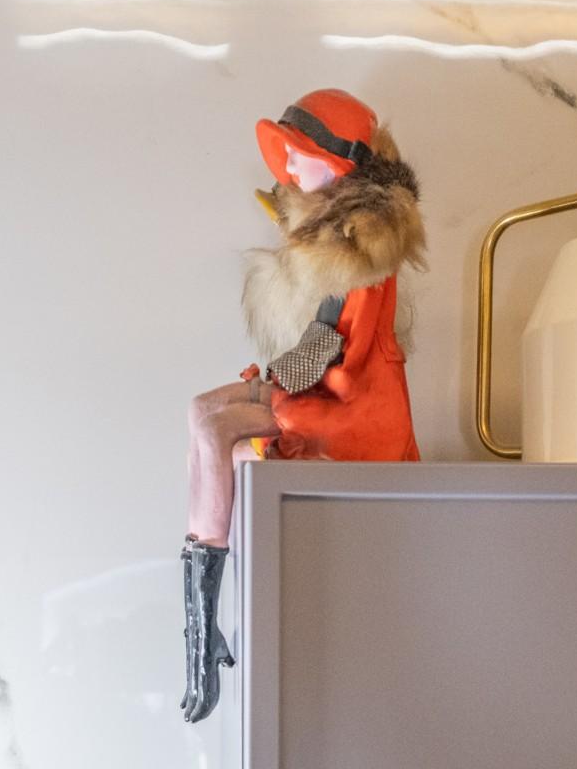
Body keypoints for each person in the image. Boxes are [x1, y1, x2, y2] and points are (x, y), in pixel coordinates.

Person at [180, 89, 426, 723]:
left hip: (351, 407)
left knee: (219, 433)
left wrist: (274, 386)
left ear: (340, 164)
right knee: (202, 411)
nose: (290, 169)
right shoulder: (329, 234)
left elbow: (335, 349)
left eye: (301, 156)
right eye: (288, 156)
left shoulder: (366, 246)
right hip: (317, 382)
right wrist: (273, 379)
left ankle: (202, 640)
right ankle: (203, 622)